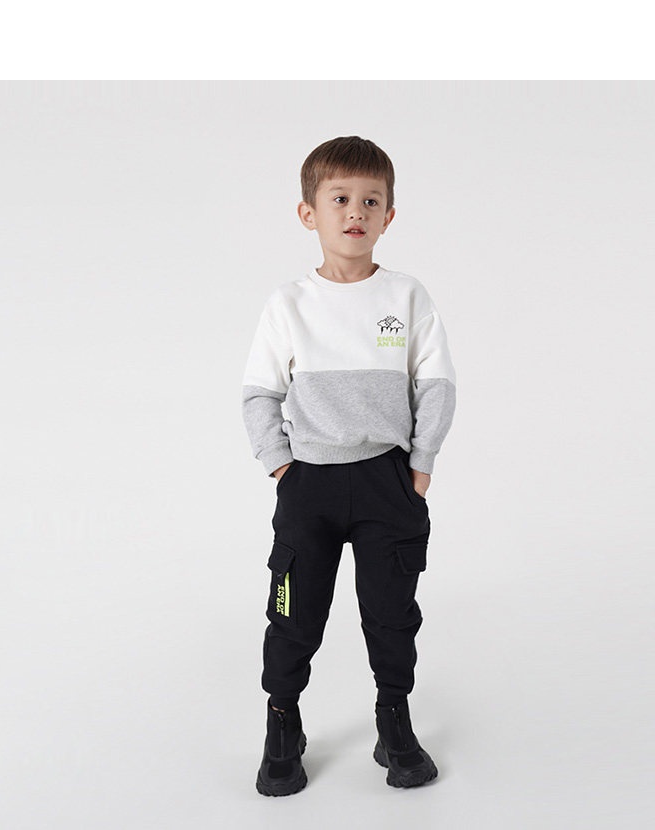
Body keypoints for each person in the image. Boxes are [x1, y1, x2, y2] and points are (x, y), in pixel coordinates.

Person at [241, 135, 456, 796]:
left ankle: (394, 719)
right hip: (310, 485)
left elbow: (436, 383)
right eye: (340, 199)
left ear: (389, 215)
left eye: (371, 200)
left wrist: (419, 464)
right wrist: (282, 468)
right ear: (309, 213)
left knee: (391, 612)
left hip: (387, 481)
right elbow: (259, 393)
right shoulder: (289, 304)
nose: (355, 211)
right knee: (293, 611)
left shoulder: (406, 296)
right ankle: (283, 721)